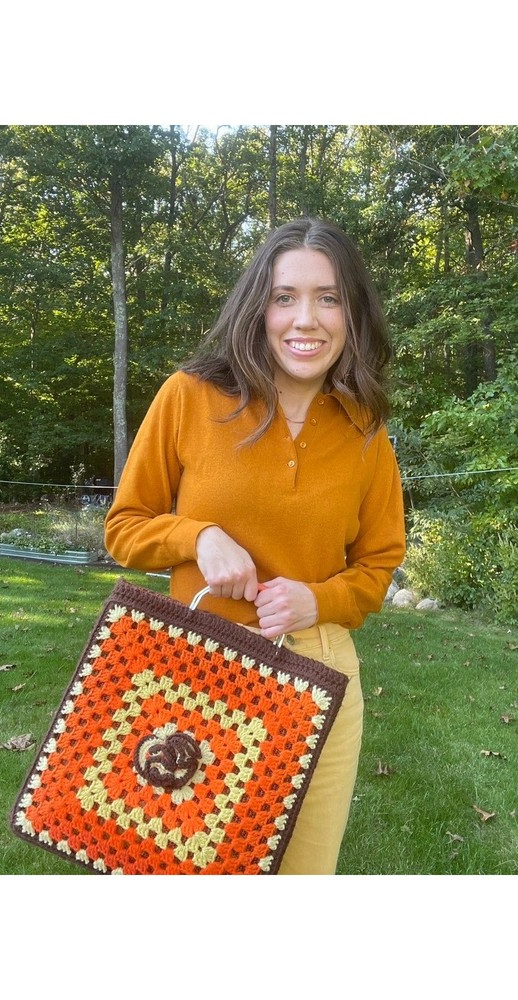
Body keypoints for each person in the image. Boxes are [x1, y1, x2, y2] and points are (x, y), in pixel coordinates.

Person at [104, 217, 406, 874]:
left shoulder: (365, 428)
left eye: (329, 298)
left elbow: (380, 561)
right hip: (192, 673)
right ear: (257, 308)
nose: (306, 319)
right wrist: (197, 536)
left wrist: (318, 600)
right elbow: (125, 527)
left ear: (352, 314)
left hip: (317, 678)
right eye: (284, 297)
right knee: (184, 871)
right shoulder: (190, 397)